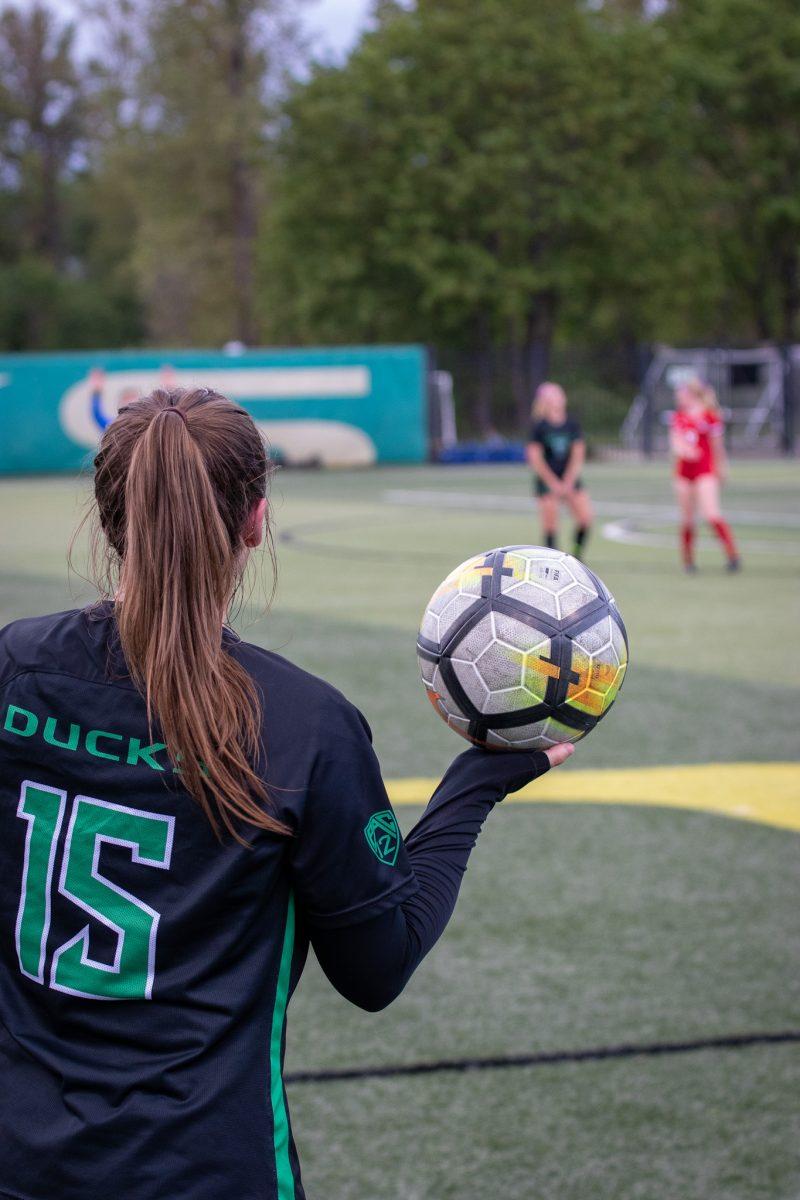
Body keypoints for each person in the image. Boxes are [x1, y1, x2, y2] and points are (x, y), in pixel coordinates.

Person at [0, 387, 573, 1200]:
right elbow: (378, 968)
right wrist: (477, 781)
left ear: (109, 518)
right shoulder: (304, 725)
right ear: (256, 520)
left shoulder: (15, 670)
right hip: (205, 1174)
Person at [669, 376, 740, 573]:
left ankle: (732, 555)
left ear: (691, 395)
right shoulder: (679, 417)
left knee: (711, 514)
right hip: (683, 473)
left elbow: (717, 446)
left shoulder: (709, 416)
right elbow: (675, 442)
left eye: (681, 394)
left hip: (704, 471)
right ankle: (688, 562)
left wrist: (722, 469)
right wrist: (683, 450)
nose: (678, 398)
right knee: (687, 519)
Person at [526, 382, 593, 559]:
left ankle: (577, 556)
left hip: (569, 479)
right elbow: (535, 458)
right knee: (550, 525)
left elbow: (578, 455)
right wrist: (553, 483)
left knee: (585, 519)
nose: (558, 399)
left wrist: (568, 481)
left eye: (559, 394)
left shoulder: (571, 424)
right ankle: (552, 560)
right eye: (553, 396)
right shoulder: (539, 427)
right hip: (548, 481)